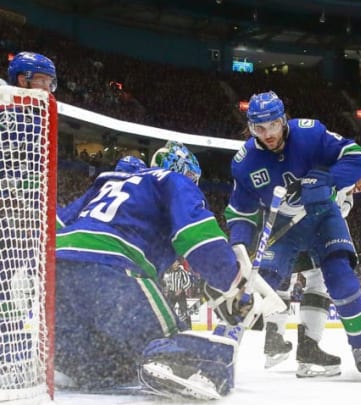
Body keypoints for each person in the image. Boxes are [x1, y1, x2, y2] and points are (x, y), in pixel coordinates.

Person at [54, 141, 256, 399]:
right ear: (184, 170)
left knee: (98, 363)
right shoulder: (172, 180)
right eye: (192, 177)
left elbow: (57, 222)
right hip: (110, 271)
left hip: (58, 269)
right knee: (169, 342)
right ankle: (171, 361)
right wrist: (232, 281)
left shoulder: (108, 182)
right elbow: (197, 236)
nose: (193, 184)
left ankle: (71, 366)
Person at [225, 90, 361, 373]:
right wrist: (239, 244)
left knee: (340, 277)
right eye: (259, 128)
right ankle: (234, 348)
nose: (267, 134)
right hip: (281, 223)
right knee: (266, 281)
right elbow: (239, 211)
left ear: (283, 120)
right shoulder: (244, 163)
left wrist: (325, 178)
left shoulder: (310, 134)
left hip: (323, 216)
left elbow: (358, 158)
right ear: (251, 127)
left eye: (273, 125)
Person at [262, 150, 361, 378]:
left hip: (310, 234)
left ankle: (294, 343)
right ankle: (278, 338)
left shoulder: (347, 199)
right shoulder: (332, 169)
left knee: (314, 277)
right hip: (289, 224)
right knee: (286, 275)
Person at [0, 51, 57, 388]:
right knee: (13, 290)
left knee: (13, 292)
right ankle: (10, 357)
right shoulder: (31, 117)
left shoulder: (26, 115)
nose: (48, 88)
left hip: (17, 218)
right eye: (43, 81)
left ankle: (10, 355)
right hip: (16, 218)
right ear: (22, 80)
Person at [163, 258, 193, 331]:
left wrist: (181, 289)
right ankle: (170, 326)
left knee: (184, 310)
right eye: (173, 262)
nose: (174, 264)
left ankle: (189, 327)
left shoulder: (182, 272)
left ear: (178, 263)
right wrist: (166, 290)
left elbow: (188, 282)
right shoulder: (167, 272)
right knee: (168, 309)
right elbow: (165, 282)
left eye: (176, 262)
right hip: (171, 293)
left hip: (180, 294)